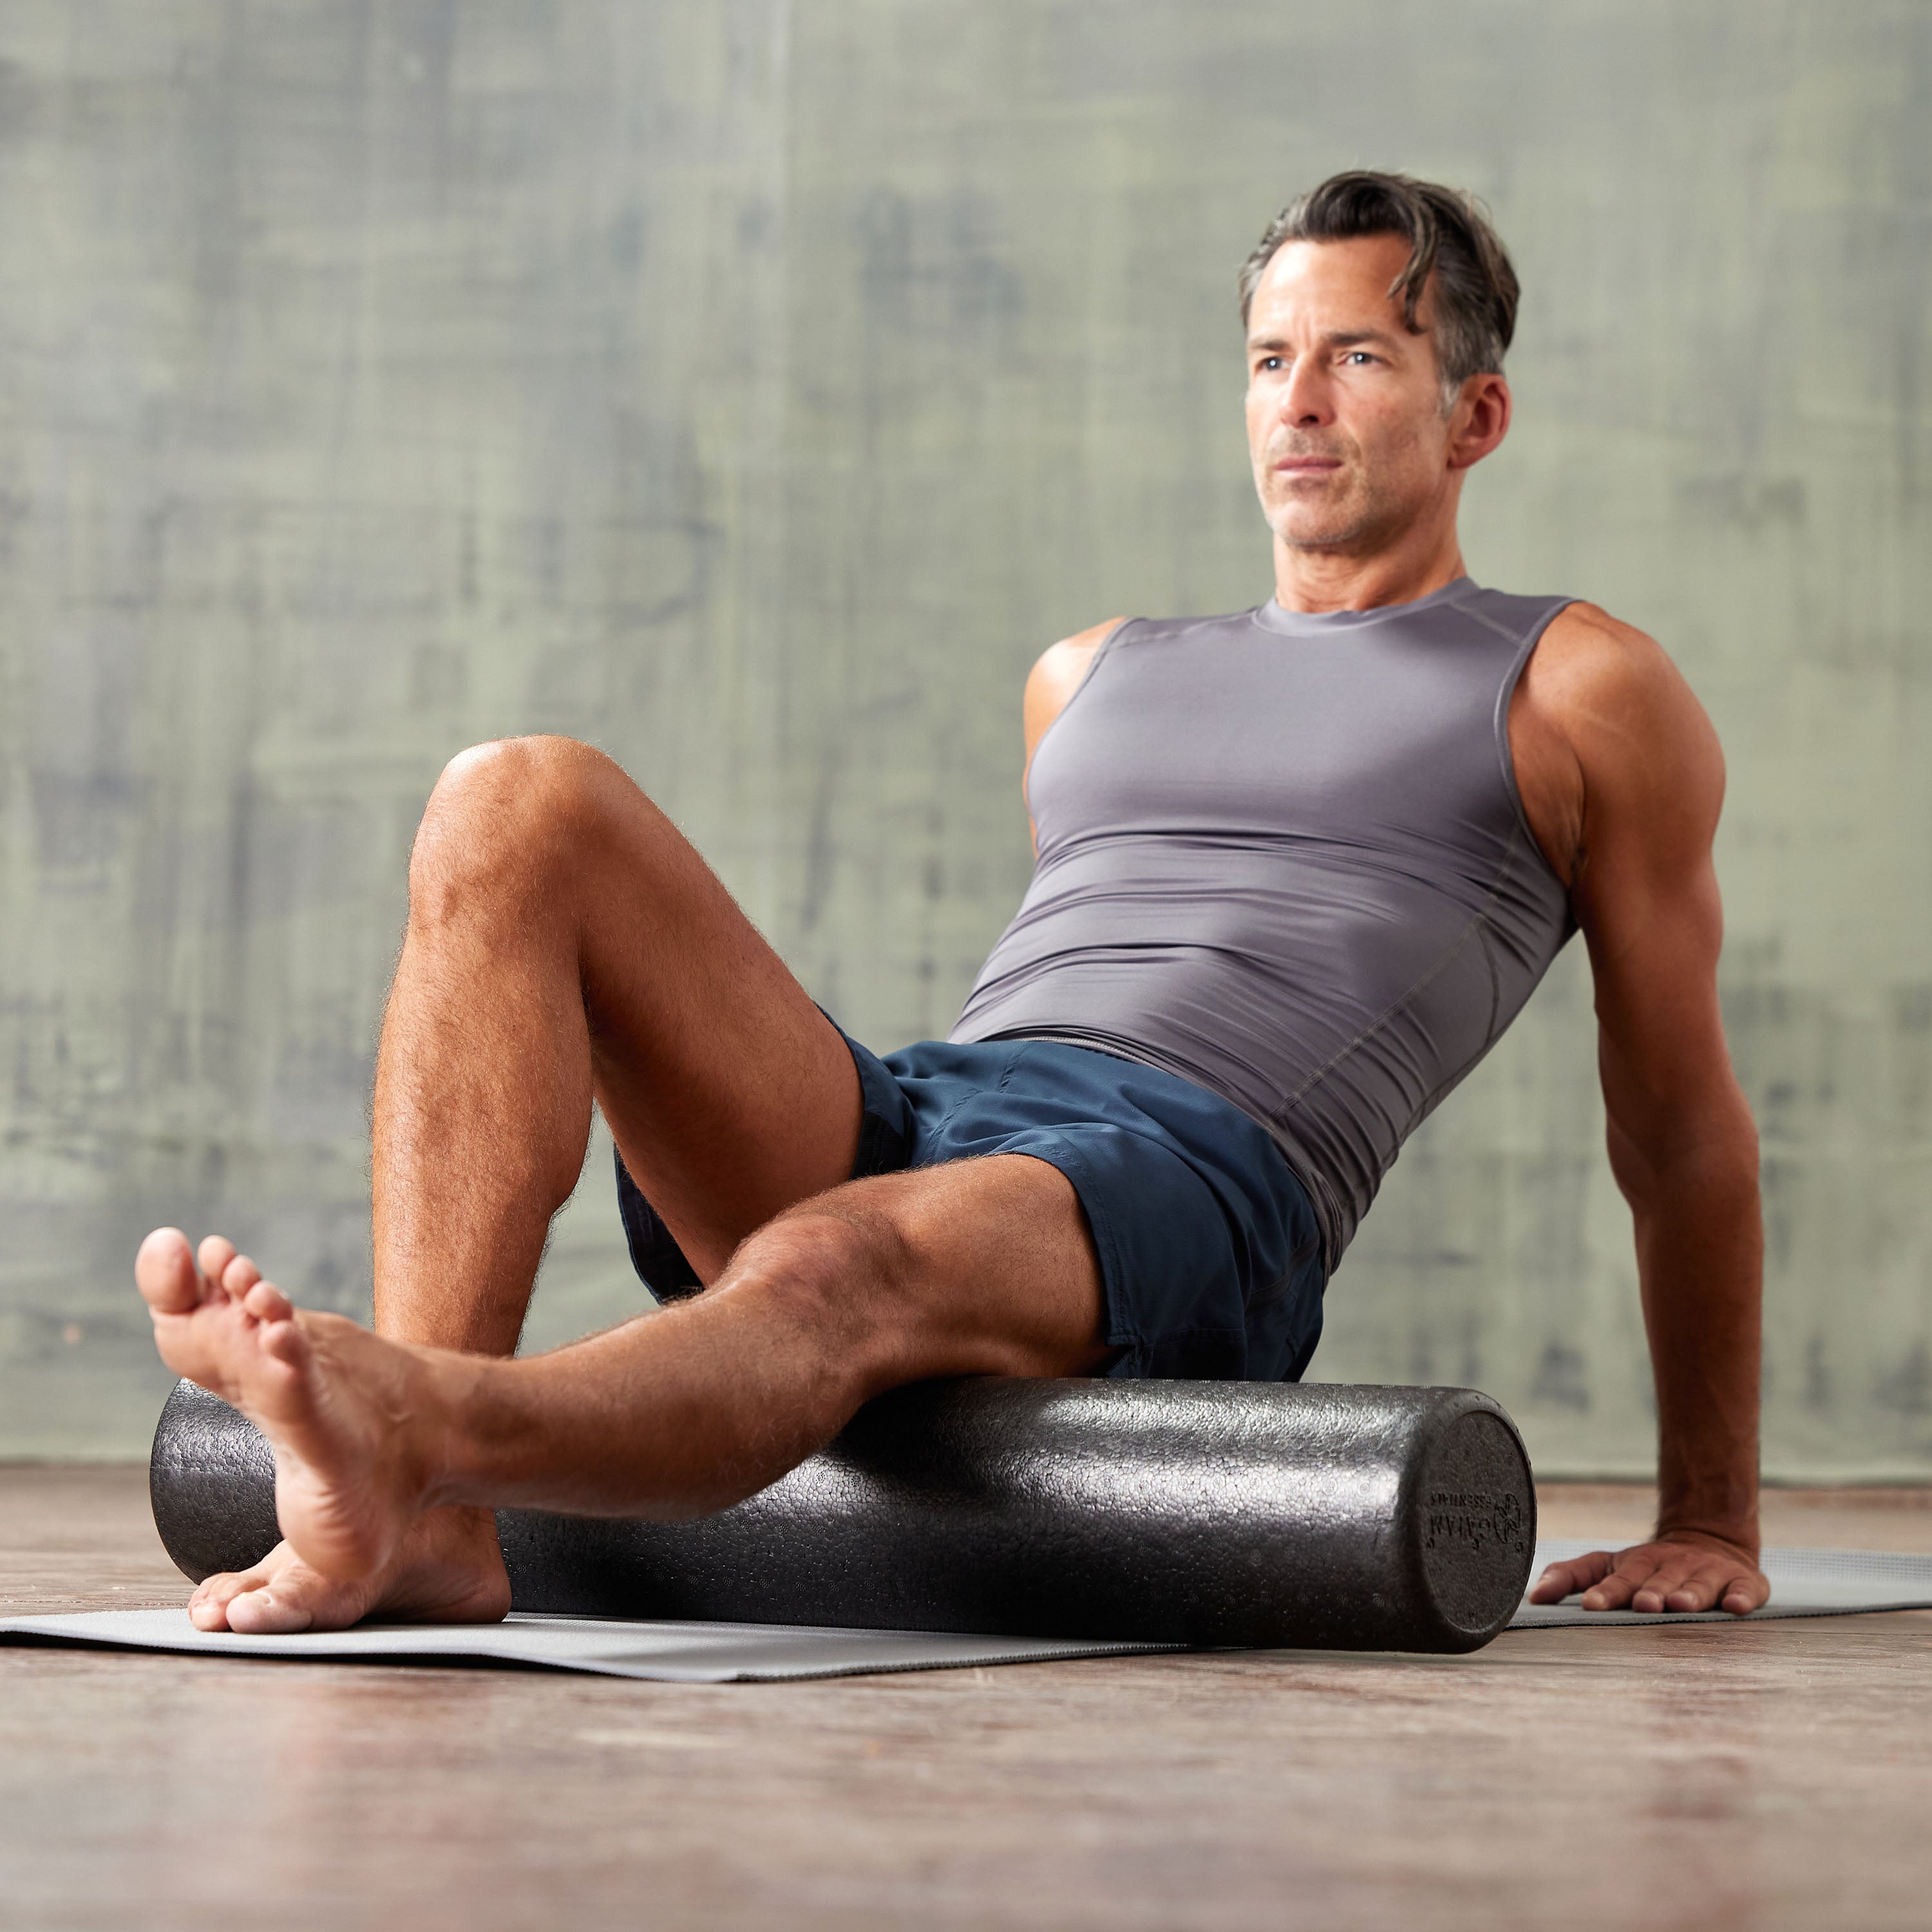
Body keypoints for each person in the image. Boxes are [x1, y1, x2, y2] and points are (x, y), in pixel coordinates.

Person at [134, 170, 1770, 1634]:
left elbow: (1681, 1128)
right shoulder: (1093, 674)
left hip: (1197, 1173)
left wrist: (1710, 1514)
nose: (1302, 405)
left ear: (1474, 416)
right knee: (516, 797)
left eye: (1359, 357)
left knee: (837, 1259)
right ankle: (427, 1531)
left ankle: (414, 1425)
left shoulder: (1575, 682)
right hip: (947, 1107)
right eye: (1272, 362)